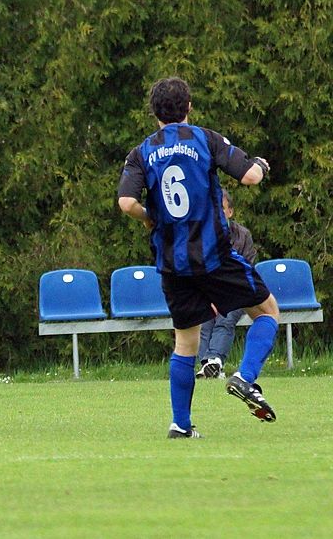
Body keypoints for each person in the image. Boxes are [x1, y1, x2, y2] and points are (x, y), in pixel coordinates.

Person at [117, 77, 280, 439]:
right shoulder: (206, 139)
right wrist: (262, 165)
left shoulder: (141, 152)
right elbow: (250, 176)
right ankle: (244, 376)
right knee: (267, 312)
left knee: (185, 341)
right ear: (188, 106)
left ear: (154, 113)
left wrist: (149, 217)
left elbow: (126, 203)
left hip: (173, 264)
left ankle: (181, 424)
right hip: (214, 255)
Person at [195, 189, 257, 379]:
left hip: (237, 293)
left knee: (225, 316)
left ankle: (213, 361)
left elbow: (247, 270)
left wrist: (222, 297)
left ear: (230, 212)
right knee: (203, 320)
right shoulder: (199, 236)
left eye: (221, 209)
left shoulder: (243, 236)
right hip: (208, 294)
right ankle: (208, 367)